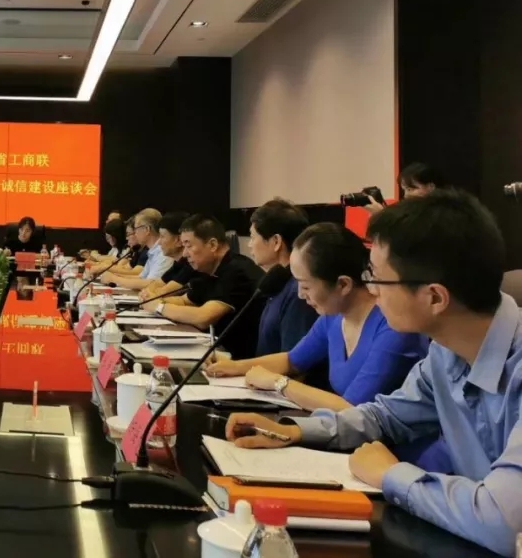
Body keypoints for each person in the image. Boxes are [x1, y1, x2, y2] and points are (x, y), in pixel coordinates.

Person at [224, 191, 522, 557]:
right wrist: (294, 430)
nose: (372, 290)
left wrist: (389, 474)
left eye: (378, 278)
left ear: (434, 297)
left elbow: (504, 522)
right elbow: (384, 416)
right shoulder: (445, 354)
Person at [207, 222, 427, 413]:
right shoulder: (333, 317)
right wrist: (235, 366)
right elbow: (292, 360)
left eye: (305, 286)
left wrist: (278, 383)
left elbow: (353, 410)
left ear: (343, 284)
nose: (300, 295)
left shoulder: (393, 327)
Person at [152, 214, 265, 359]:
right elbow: (184, 301)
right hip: (217, 353)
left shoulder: (238, 271)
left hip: (238, 361)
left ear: (212, 245)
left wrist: (159, 307)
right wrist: (157, 300)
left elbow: (203, 317)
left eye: (189, 245)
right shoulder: (208, 269)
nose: (185, 254)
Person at [245, 199, 319, 356]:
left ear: (276, 242)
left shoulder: (298, 293)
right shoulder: (277, 282)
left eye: (253, 237)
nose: (249, 244)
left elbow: (292, 361)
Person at [108, 209, 174, 291]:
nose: (135, 233)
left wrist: (114, 279)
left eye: (136, 229)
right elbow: (141, 277)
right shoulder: (152, 251)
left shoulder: (163, 252)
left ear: (147, 229)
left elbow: (151, 283)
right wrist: (114, 276)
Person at [139, 211, 196, 299]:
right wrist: (148, 292)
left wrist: (149, 294)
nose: (159, 243)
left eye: (162, 237)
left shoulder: (190, 265)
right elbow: (156, 284)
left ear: (179, 240)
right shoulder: (177, 264)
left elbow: (164, 293)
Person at [367, 162, 448, 213]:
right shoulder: (408, 210)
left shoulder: (442, 213)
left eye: (410, 189)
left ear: (431, 187)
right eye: (404, 190)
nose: (406, 195)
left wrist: (381, 215)